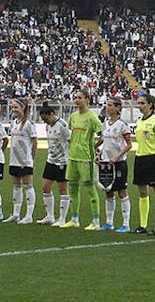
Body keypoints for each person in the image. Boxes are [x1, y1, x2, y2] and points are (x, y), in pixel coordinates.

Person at [62, 89, 104, 230]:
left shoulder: (92, 117)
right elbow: (70, 134)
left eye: (80, 97)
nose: (76, 100)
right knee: (72, 188)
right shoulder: (73, 116)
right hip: (72, 156)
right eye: (75, 97)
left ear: (87, 99)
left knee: (90, 189)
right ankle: (74, 219)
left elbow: (102, 135)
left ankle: (96, 221)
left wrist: (93, 146)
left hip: (86, 157)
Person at [131, 93, 155, 235]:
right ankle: (143, 224)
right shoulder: (139, 121)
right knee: (142, 192)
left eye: (142, 103)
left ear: (150, 105)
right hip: (139, 158)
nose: (140, 106)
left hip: (152, 158)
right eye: (138, 103)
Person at [100, 96, 133, 233]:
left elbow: (129, 145)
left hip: (118, 163)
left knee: (122, 192)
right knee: (108, 191)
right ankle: (109, 222)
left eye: (110, 105)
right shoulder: (106, 123)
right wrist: (99, 153)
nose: (108, 108)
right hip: (106, 163)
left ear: (117, 108)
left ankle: (126, 224)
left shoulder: (122, 125)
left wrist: (117, 156)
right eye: (107, 105)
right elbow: (104, 142)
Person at [38, 104, 72, 225]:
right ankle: (50, 216)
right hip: (51, 160)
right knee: (45, 187)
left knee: (62, 189)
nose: (45, 122)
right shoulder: (48, 126)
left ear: (52, 114)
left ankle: (62, 219)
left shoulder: (63, 125)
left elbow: (70, 141)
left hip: (62, 161)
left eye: (45, 119)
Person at [6, 98, 37, 223]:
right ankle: (16, 214)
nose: (14, 110)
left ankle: (29, 215)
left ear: (23, 107)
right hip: (14, 160)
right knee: (16, 186)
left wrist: (31, 159)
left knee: (28, 186)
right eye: (12, 108)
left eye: (16, 107)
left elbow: (35, 143)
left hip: (25, 160)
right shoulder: (13, 122)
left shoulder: (29, 124)